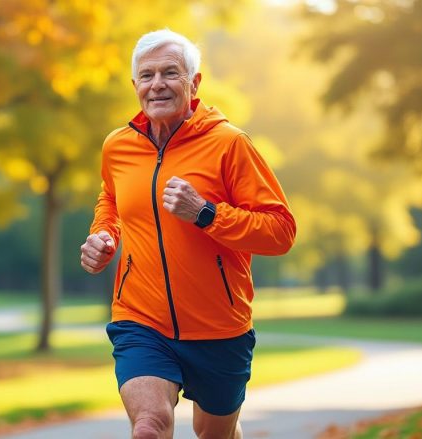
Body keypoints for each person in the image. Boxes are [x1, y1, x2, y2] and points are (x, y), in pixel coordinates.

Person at [80, 29, 296, 439]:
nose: (157, 84)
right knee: (149, 427)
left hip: (220, 328)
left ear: (194, 83)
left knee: (214, 433)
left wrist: (206, 213)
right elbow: (110, 197)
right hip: (140, 319)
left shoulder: (230, 145)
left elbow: (280, 230)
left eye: (170, 73)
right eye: (147, 75)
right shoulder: (117, 147)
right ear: (135, 86)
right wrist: (104, 235)